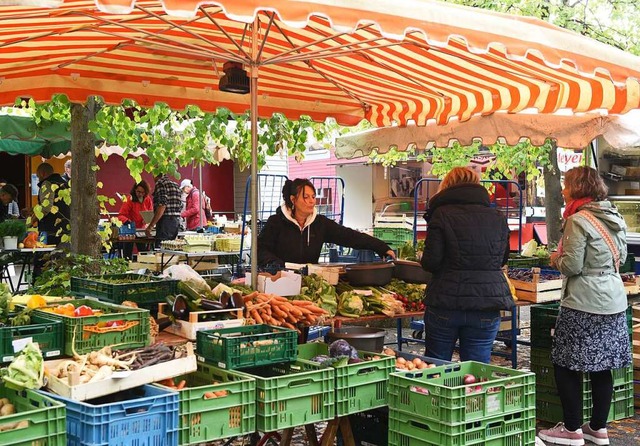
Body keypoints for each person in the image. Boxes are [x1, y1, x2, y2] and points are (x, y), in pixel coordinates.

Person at [538, 166, 630, 446]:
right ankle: (598, 429)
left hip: (583, 302)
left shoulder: (578, 220)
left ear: (577, 188)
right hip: (613, 300)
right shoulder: (613, 215)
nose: (563, 191)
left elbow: (571, 266)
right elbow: (622, 257)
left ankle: (572, 429)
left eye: (566, 185)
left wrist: (555, 257)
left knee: (566, 365)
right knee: (603, 366)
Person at [420, 167, 512, 363]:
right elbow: (503, 259)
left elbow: (431, 262)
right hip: (487, 303)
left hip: (446, 302)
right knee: (477, 369)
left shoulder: (441, 214)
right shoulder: (497, 216)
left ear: (446, 186)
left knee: (436, 367)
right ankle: (475, 394)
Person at [258, 178, 395, 268]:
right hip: (280, 282)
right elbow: (260, 249)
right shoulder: (275, 222)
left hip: (310, 283)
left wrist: (381, 247)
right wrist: (274, 263)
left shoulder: (320, 224)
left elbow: (349, 236)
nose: (312, 201)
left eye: (313, 197)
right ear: (293, 200)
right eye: (306, 197)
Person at [35, 162, 70, 245]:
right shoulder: (64, 184)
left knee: (48, 255)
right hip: (66, 226)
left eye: (38, 176)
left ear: (42, 173)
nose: (38, 178)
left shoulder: (47, 183)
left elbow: (46, 207)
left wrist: (31, 221)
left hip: (51, 229)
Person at [117, 180, 153, 259]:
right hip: (130, 230)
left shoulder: (148, 199)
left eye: (143, 192)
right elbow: (121, 215)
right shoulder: (129, 199)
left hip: (141, 230)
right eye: (138, 192)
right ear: (134, 190)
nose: (140, 194)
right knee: (127, 253)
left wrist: (147, 220)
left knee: (143, 253)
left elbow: (150, 213)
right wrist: (127, 221)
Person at [145, 173, 182, 248]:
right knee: (171, 250)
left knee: (161, 250)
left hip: (165, 222)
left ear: (155, 175)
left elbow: (162, 205)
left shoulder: (160, 183)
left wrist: (151, 226)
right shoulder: (176, 185)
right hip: (176, 222)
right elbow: (180, 205)